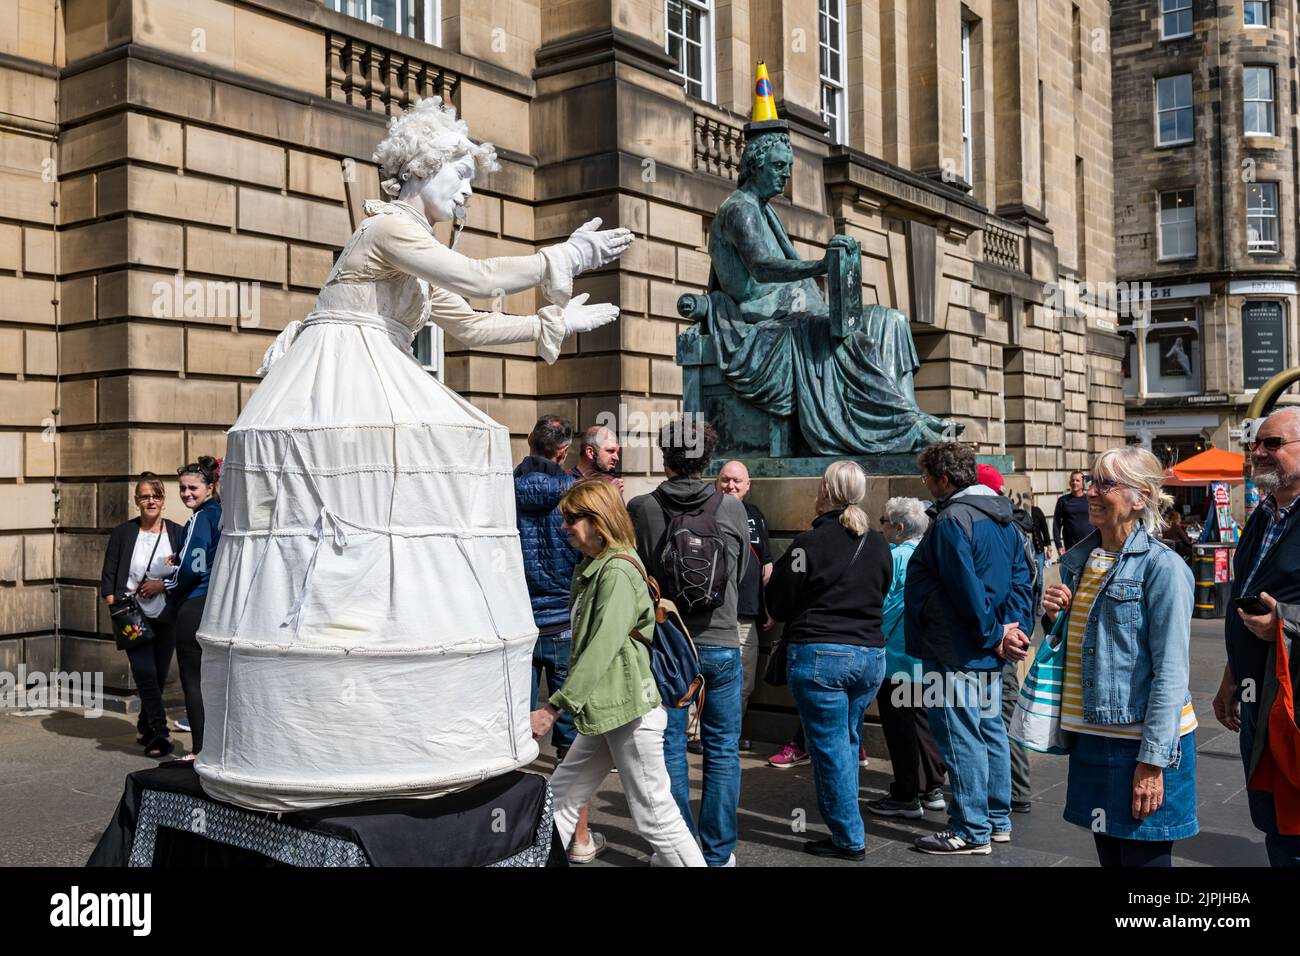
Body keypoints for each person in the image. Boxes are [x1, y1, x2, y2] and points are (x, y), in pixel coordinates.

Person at [192, 97, 634, 810]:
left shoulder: (415, 256)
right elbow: (481, 276)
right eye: (459, 174)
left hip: (383, 364)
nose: (465, 190)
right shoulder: (388, 228)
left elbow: (476, 324)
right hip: (344, 369)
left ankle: (390, 707)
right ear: (421, 169)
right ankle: (317, 714)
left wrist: (554, 320)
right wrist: (564, 256)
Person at [530, 478, 706, 866]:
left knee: (656, 819)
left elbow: (601, 648)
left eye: (571, 520)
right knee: (559, 797)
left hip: (629, 711)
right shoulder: (600, 566)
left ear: (597, 520)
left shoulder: (617, 572)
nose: (564, 528)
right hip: (611, 710)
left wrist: (552, 708)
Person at [1042, 446, 1199, 867]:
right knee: (1110, 859)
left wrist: (1152, 761)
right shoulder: (1082, 561)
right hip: (1094, 735)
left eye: (1105, 484)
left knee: (1142, 862)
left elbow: (1171, 671)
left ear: (1140, 497)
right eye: (1091, 481)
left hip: (1144, 744)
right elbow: (1093, 647)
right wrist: (1056, 618)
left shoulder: (1162, 568)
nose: (1091, 492)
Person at [628, 417, 749, 866]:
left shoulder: (642, 507)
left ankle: (682, 852)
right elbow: (736, 573)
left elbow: (638, 580)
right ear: (708, 459)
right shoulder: (731, 507)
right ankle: (719, 855)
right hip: (721, 643)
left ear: (665, 456)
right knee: (722, 748)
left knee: (671, 747)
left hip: (669, 646)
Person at [904, 442, 1033, 854]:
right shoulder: (1005, 520)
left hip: (957, 647)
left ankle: (970, 829)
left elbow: (965, 588)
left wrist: (996, 633)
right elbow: (1021, 581)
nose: (925, 484)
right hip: (988, 647)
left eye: (927, 477)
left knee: (961, 735)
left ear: (944, 479)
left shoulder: (951, 521)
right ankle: (995, 821)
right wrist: (1013, 631)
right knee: (990, 728)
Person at [767, 462, 891, 860]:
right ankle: (847, 827)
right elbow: (882, 590)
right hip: (870, 656)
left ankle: (848, 837)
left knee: (832, 748)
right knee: (848, 740)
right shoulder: (877, 543)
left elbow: (780, 603)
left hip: (823, 656)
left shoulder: (808, 543)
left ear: (824, 491)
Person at [1212, 406, 1300, 866]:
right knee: (1270, 813)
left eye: (1273, 444)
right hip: (1258, 693)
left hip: (1294, 697)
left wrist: (1284, 622)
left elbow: (1276, 612)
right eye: (1256, 444)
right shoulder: (1264, 515)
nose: (1259, 453)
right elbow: (1246, 599)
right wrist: (1231, 675)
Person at [513, 414, 601, 862]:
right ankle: (578, 838)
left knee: (514, 735)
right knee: (570, 738)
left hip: (518, 626)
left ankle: (510, 833)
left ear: (529, 442)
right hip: (566, 623)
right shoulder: (578, 497)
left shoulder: (501, 490)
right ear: (563, 451)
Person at [866, 496, 948, 819]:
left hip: (896, 657)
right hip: (925, 655)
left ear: (899, 527)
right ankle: (933, 788)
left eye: (884, 521)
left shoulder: (894, 556)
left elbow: (879, 602)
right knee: (924, 723)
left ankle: (906, 794)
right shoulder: (931, 556)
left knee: (900, 729)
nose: (881, 527)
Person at [100, 473, 186, 758]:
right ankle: (160, 734)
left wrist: (161, 585)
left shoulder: (176, 532)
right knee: (145, 674)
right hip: (132, 615)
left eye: (156, 495)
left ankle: (143, 726)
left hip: (166, 613)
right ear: (136, 501)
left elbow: (185, 572)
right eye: (144, 496)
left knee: (159, 674)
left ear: (163, 500)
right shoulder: (124, 533)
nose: (151, 501)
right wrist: (116, 607)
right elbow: (109, 575)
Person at [977, 463, 1036, 814]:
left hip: (1004, 636)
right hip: (1012, 633)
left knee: (1003, 714)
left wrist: (1009, 632)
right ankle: (1008, 787)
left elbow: (1021, 586)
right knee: (1001, 712)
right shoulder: (1013, 526)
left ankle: (1015, 790)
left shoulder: (1003, 530)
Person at [164, 456, 223, 759]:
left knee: (194, 682)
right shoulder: (221, 513)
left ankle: (199, 750)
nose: (187, 493)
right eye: (182, 488)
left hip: (194, 605)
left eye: (193, 488)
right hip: (217, 605)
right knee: (213, 682)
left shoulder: (201, 517)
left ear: (211, 487)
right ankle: (214, 748)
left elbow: (194, 567)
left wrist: (168, 585)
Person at [716, 459, 772, 752]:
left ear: (748, 485)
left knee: (743, 682)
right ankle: (696, 734)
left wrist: (767, 608)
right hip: (710, 616)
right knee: (704, 679)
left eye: (738, 481)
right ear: (717, 481)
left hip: (746, 616)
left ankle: (731, 734)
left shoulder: (755, 516)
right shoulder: (707, 510)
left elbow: (767, 563)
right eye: (726, 479)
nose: (731, 486)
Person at [570, 425, 624, 493]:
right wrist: (610, 494)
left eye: (617, 452)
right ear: (590, 452)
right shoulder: (566, 484)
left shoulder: (611, 482)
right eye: (610, 451)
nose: (617, 458)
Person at [1053, 470, 1091, 555]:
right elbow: (1056, 524)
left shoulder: (1090, 499)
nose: (1074, 482)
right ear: (1069, 483)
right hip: (1072, 546)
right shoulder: (1062, 501)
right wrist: (1058, 545)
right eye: (1072, 480)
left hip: (1091, 544)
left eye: (1077, 480)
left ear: (1082, 483)